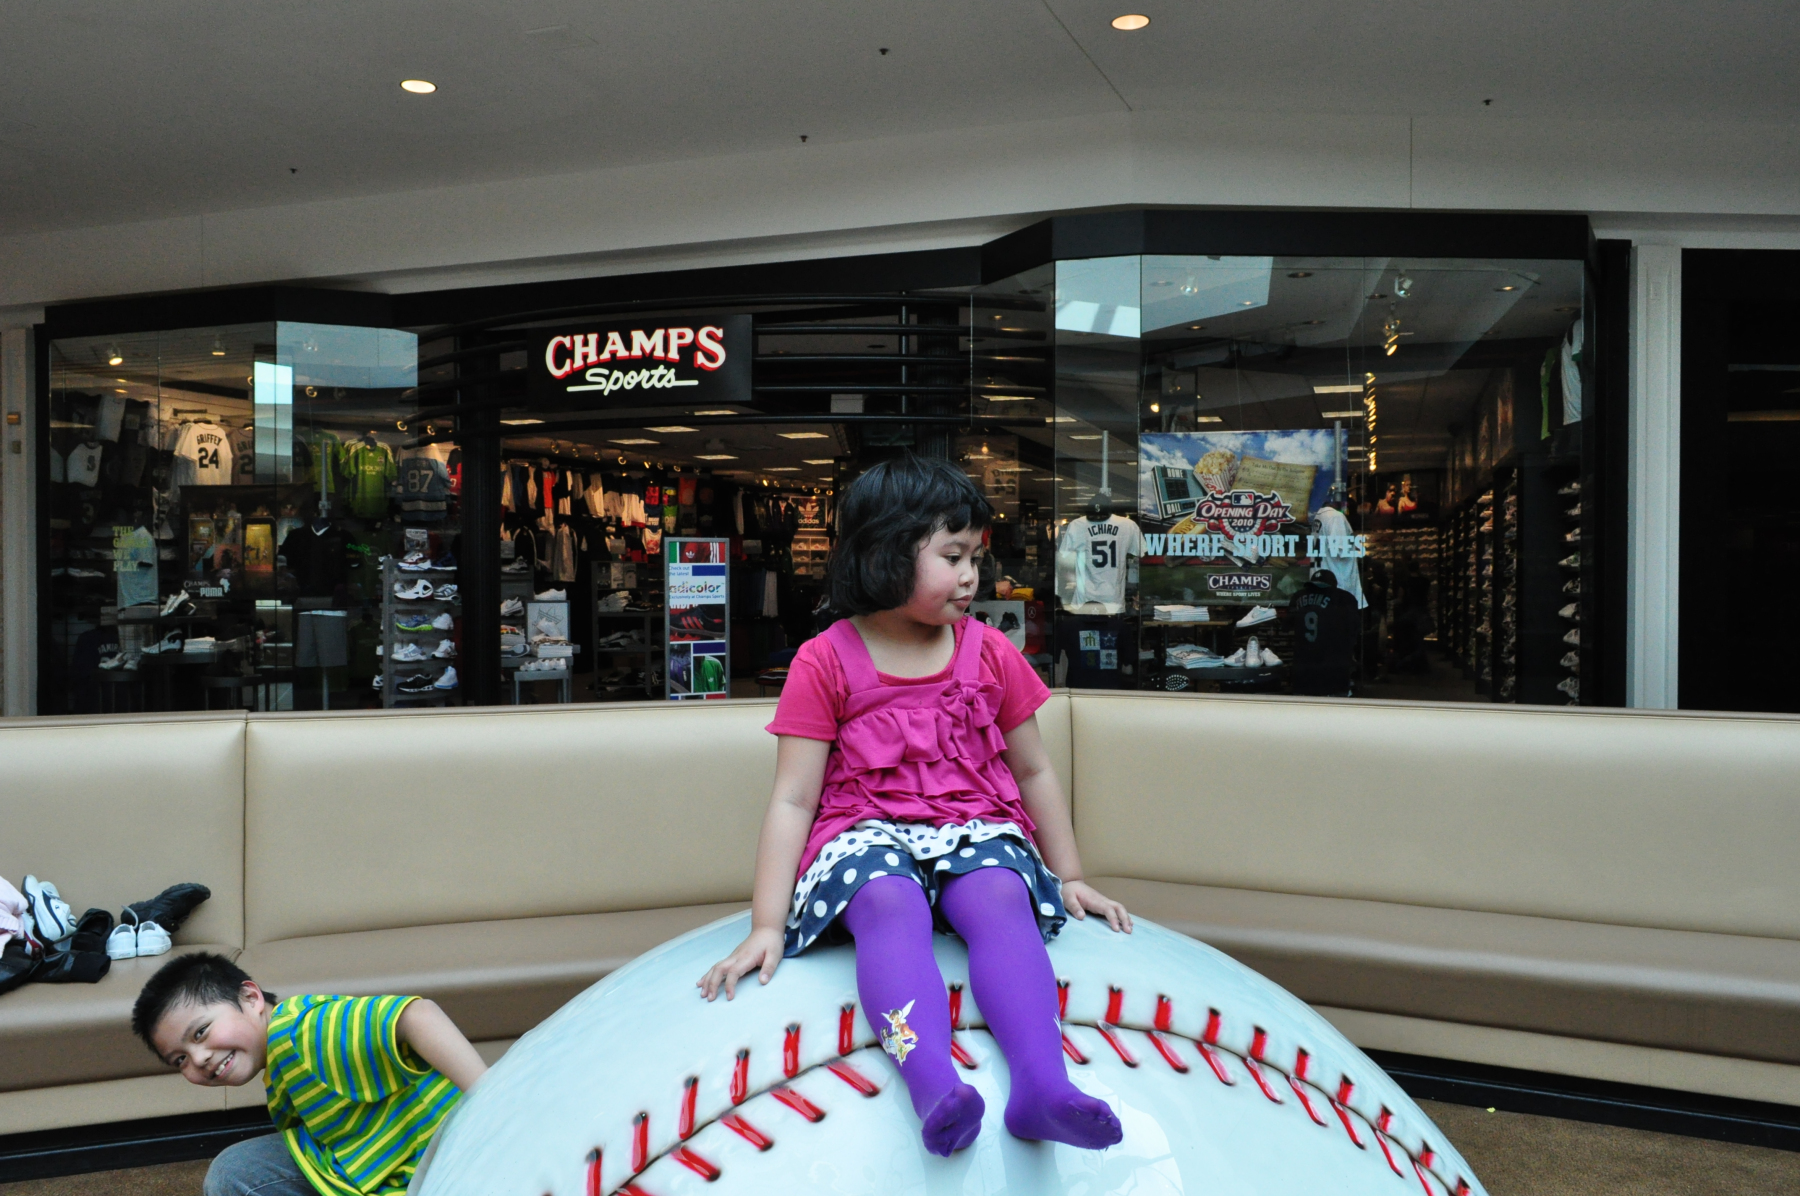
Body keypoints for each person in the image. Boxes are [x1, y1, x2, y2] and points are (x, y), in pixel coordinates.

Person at [698, 454, 1132, 1158]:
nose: (971, 576)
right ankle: (933, 1085)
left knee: (1000, 896)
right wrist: (767, 924)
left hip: (971, 825)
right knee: (887, 903)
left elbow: (1034, 769)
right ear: (886, 554)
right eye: (952, 557)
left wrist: (1071, 875)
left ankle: (1042, 1086)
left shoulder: (989, 652)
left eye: (974, 558)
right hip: (865, 831)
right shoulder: (824, 660)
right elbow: (794, 798)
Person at [132, 952, 487, 1196]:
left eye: (200, 1032)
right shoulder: (280, 1056)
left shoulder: (302, 1028)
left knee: (233, 1172)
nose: (199, 1059)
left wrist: (492, 1100)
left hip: (441, 1160)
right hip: (383, 1161)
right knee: (235, 1169)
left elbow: (418, 1015)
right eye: (180, 1059)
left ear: (251, 998)